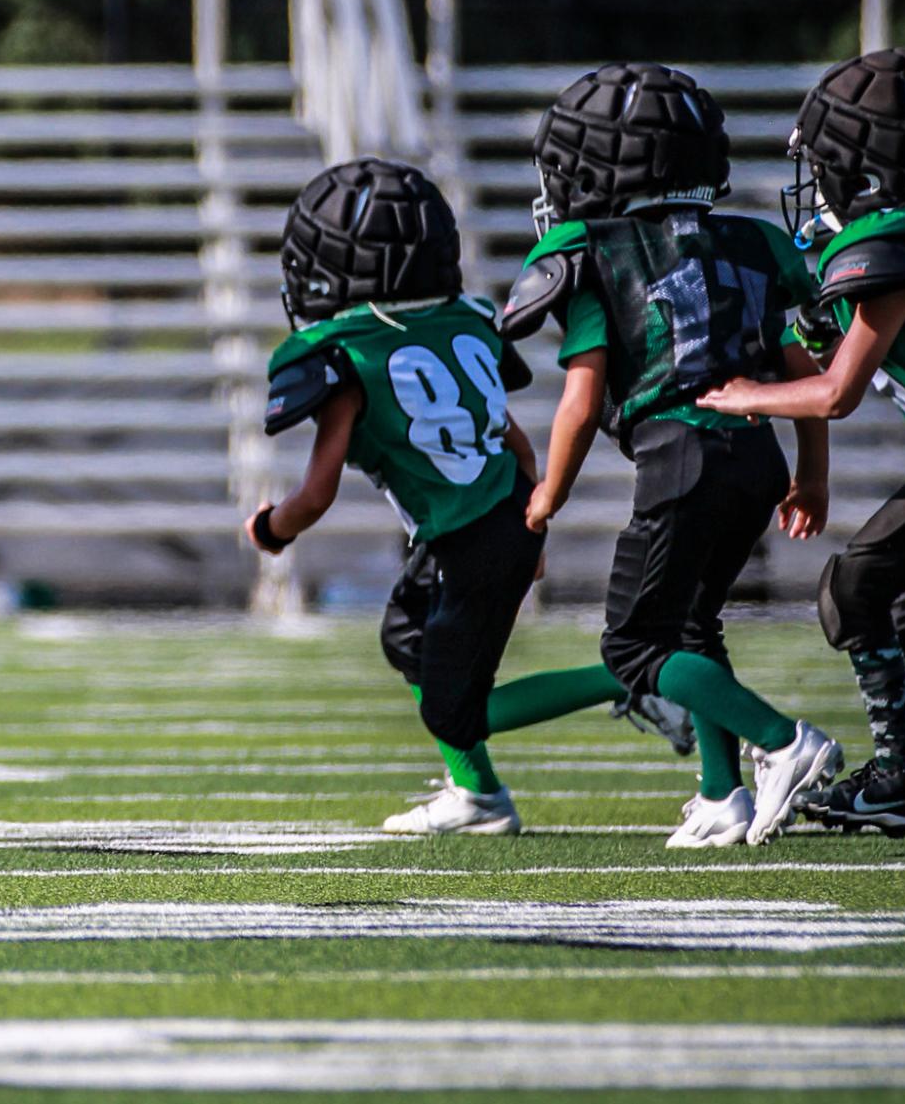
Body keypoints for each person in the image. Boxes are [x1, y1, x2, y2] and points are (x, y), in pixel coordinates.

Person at [250, 157, 680, 838]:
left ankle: (629, 679)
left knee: (459, 711)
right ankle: (474, 791)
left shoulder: (341, 353)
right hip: (498, 512)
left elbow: (314, 494)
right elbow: (515, 440)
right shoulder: (472, 319)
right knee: (405, 636)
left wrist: (269, 528)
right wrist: (532, 520)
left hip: (469, 538)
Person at [500, 61, 841, 847]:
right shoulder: (753, 240)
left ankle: (785, 740)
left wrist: (547, 491)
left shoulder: (591, 247)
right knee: (691, 621)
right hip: (753, 456)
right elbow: (801, 368)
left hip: (679, 454)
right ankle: (722, 795)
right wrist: (810, 474)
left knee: (630, 644)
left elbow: (582, 400)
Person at [697, 46, 905, 837]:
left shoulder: (893, 252)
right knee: (881, 597)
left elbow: (836, 391)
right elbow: (824, 350)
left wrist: (746, 393)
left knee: (860, 591)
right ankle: (900, 773)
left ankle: (899, 774)